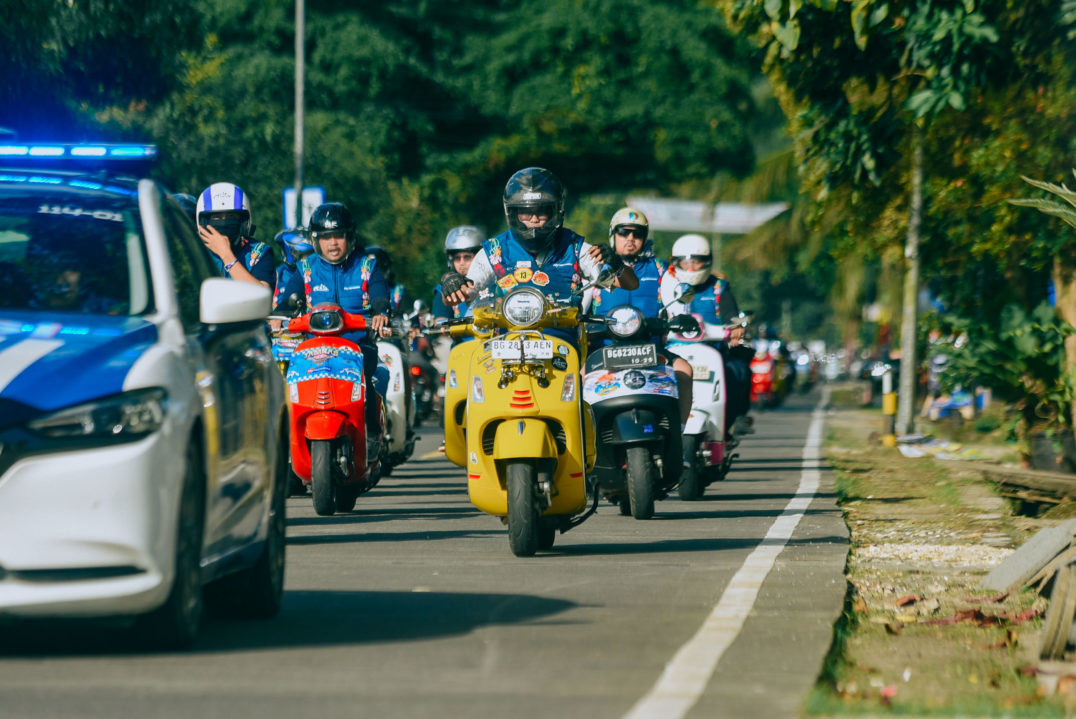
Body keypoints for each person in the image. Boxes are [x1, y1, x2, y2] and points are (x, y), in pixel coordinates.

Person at [441, 167, 638, 347]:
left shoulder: (575, 247)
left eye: (542, 211)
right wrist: (451, 284)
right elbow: (459, 296)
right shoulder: (494, 251)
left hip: (562, 348)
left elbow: (631, 284)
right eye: (526, 212)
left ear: (557, 211)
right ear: (512, 213)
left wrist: (617, 264)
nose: (534, 220)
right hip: (505, 347)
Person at [274, 202, 392, 449]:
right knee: (291, 387)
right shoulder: (304, 268)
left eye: (339, 236)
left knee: (366, 380)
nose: (333, 243)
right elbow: (287, 301)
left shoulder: (367, 266)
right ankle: (290, 445)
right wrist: (279, 315)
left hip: (357, 347)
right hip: (314, 348)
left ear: (350, 237)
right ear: (316, 240)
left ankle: (372, 435)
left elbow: (380, 294)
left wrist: (381, 311)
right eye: (326, 237)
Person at [588, 207, 694, 424]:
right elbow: (580, 305)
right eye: (623, 232)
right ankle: (584, 438)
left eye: (637, 234)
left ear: (645, 238)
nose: (630, 238)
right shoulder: (594, 268)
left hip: (650, 350)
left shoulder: (661, 269)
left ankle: (679, 432)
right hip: (604, 351)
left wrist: (680, 318)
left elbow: (677, 304)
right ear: (612, 235)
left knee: (685, 370)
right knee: (577, 374)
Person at [660, 233, 752, 434]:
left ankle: (731, 423)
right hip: (674, 350)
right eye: (686, 262)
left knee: (738, 371)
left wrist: (736, 328)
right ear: (675, 263)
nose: (691, 268)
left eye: (697, 261)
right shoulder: (667, 285)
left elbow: (731, 316)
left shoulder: (719, 288)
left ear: (707, 262)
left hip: (712, 350)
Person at [196, 182, 276, 291]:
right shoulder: (195, 252)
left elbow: (262, 293)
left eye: (231, 216)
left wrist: (226, 255)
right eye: (217, 217)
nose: (224, 222)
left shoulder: (259, 252)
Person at [431, 225, 484, 323]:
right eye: (457, 258)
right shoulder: (445, 287)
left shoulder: (491, 280)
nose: (461, 263)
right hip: (466, 333)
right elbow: (440, 320)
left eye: (467, 257)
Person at [273, 227, 313, 310]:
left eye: (310, 254)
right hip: (277, 316)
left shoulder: (316, 271)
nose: (309, 259)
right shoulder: (277, 274)